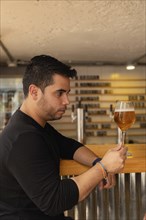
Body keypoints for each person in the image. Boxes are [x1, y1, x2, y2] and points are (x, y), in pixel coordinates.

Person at [0, 55, 127, 220]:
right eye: (59, 93)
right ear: (34, 92)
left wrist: (96, 162)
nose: (67, 101)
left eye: (67, 93)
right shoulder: (23, 138)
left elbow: (68, 146)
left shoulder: (35, 125)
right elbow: (55, 201)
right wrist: (103, 168)